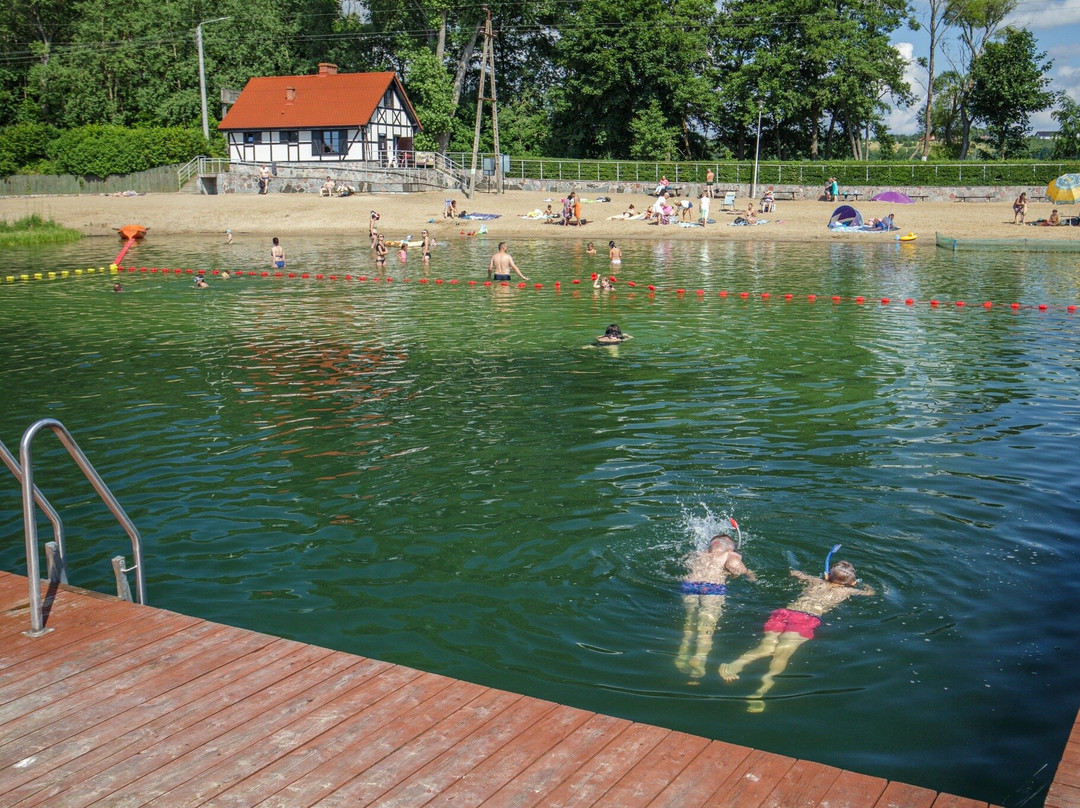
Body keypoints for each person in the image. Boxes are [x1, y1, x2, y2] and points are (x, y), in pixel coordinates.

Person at [719, 557, 874, 712]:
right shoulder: (849, 590)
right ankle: (762, 689)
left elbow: (795, 573)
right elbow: (870, 593)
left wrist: (814, 577)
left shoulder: (816, 582)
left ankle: (735, 665)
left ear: (827, 576)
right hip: (806, 620)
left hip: (785, 613)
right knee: (782, 654)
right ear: (852, 583)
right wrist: (864, 586)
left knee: (766, 647)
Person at [675, 534, 755, 680]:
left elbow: (685, 565)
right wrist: (747, 574)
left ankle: (683, 652)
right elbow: (735, 567)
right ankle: (699, 657)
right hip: (712, 587)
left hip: (689, 585)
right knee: (707, 624)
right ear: (730, 547)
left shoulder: (697, 554)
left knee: (690, 619)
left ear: (709, 546)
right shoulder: (729, 554)